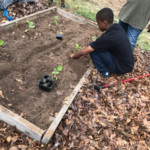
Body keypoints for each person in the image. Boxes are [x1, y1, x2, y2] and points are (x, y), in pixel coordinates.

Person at [69, 8, 134, 78]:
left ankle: (105, 73)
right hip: (128, 64)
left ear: (105, 23)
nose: (98, 26)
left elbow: (86, 50)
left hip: (122, 68)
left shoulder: (108, 37)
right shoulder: (117, 27)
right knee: (97, 47)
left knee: (94, 51)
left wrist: (74, 56)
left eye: (98, 23)